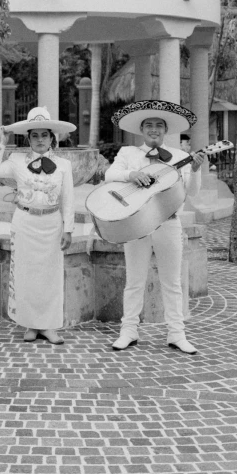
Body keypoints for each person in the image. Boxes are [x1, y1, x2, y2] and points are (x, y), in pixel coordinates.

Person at [104, 100, 200, 355]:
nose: (154, 129)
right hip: (136, 224)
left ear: (166, 130)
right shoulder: (128, 154)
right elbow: (108, 175)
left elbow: (191, 192)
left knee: (172, 281)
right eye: (149, 125)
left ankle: (176, 334)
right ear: (142, 129)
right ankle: (129, 331)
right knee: (134, 280)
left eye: (159, 125)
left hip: (168, 223)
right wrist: (131, 175)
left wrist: (198, 170)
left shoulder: (180, 157)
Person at [0, 107, 75, 344]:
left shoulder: (64, 165)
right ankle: (30, 325)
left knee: (50, 276)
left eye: (44, 135)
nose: (39, 140)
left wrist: (68, 229)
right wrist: (1, 143)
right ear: (28, 138)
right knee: (26, 274)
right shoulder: (16, 160)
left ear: (52, 137)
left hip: (52, 224)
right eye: (34, 135)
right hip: (25, 222)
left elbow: (69, 199)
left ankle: (49, 326)